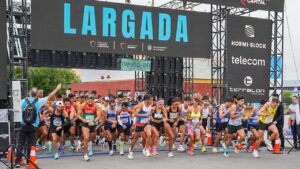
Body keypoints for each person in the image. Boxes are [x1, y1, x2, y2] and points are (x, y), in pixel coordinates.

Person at [15, 84, 62, 168]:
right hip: (33, 126)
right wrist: (57, 88)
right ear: (37, 94)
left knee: (20, 143)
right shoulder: (39, 101)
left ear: (29, 93)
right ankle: (29, 161)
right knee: (30, 144)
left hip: (23, 125)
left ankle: (17, 161)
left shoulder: (23, 101)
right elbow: (50, 96)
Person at [128, 94, 153, 160]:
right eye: (151, 99)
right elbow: (136, 114)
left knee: (148, 135)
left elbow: (149, 113)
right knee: (135, 139)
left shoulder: (150, 104)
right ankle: (130, 151)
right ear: (147, 100)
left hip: (146, 123)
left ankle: (146, 149)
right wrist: (146, 114)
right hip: (139, 123)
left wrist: (150, 116)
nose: (152, 100)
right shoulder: (141, 105)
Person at [77, 96, 101, 161]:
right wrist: (82, 119)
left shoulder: (96, 106)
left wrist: (94, 121)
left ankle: (81, 143)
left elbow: (98, 116)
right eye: (88, 101)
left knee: (92, 138)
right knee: (86, 138)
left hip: (93, 123)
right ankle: (85, 155)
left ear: (93, 101)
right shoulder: (82, 105)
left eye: (91, 101)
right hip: (85, 123)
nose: (90, 102)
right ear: (86, 100)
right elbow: (78, 115)